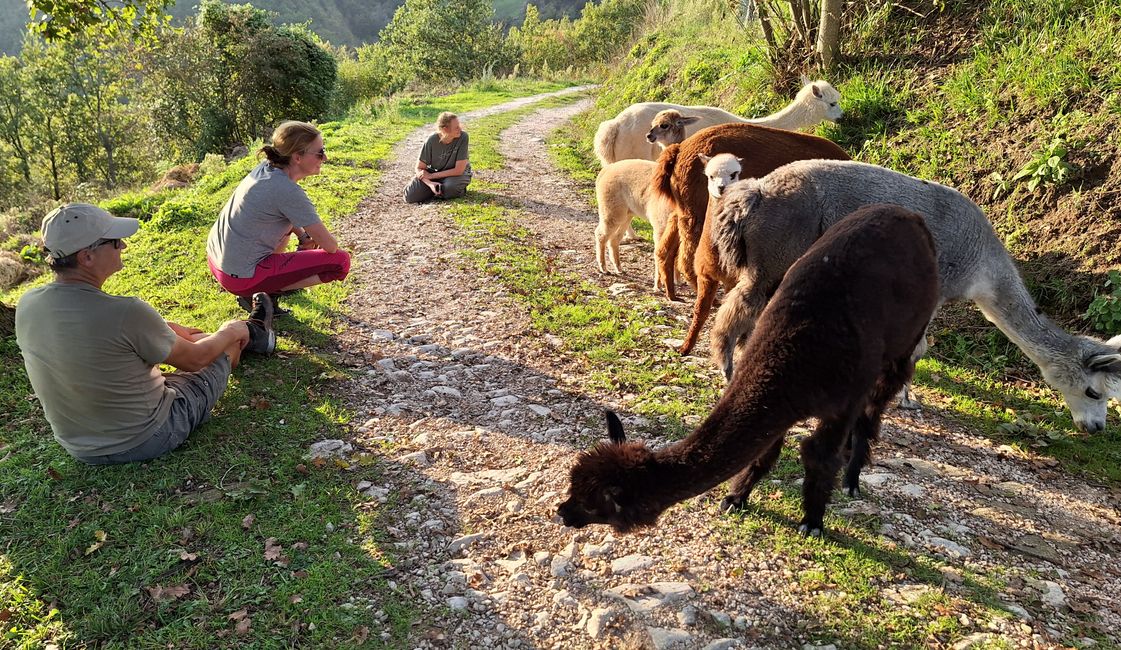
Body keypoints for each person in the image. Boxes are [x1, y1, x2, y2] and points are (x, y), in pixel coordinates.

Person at [15, 203, 276, 465]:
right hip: (147, 437)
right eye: (115, 241)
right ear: (86, 257)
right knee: (222, 347)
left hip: (80, 447)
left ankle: (251, 335)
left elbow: (89, 337)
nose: (124, 247)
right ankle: (252, 333)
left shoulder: (28, 304)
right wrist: (230, 329)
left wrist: (165, 327)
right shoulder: (125, 312)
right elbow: (196, 359)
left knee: (194, 341)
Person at [207, 120, 351, 314]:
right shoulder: (288, 191)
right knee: (340, 261)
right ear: (297, 157)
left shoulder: (267, 168)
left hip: (218, 261)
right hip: (239, 278)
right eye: (319, 152)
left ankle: (264, 289)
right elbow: (330, 246)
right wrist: (310, 240)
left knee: (285, 231)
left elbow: (281, 211)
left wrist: (303, 236)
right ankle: (261, 293)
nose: (324, 157)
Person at [404, 112, 472, 203]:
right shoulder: (431, 140)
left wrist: (431, 176)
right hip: (436, 173)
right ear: (445, 129)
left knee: (449, 188)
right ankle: (436, 190)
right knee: (410, 196)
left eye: (459, 125)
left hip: (456, 175)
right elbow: (419, 167)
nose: (460, 128)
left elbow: (459, 170)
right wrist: (430, 183)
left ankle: (450, 189)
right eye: (456, 127)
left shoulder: (463, 137)